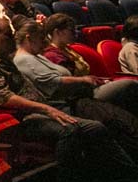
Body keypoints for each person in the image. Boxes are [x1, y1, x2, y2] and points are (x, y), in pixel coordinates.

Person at [0, 19, 138, 182]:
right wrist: (47, 109)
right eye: (7, 35)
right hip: (24, 118)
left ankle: (122, 180)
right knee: (75, 128)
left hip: (42, 110)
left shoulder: (5, 61)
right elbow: (5, 98)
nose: (12, 38)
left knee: (98, 123)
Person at [12, 21, 138, 155]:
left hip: (78, 97)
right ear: (28, 37)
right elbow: (52, 82)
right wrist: (82, 80)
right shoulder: (23, 59)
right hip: (68, 103)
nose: (44, 42)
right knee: (123, 101)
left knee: (122, 115)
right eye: (41, 38)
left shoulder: (35, 56)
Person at [42, 14, 138, 117]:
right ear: (58, 32)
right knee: (129, 84)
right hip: (83, 95)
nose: (75, 33)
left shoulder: (68, 50)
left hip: (91, 86)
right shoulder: (53, 55)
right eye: (71, 30)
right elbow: (69, 83)